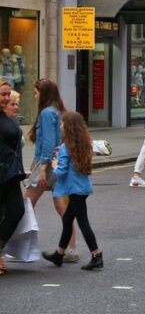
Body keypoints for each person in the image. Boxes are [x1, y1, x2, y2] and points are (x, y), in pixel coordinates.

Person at [26, 78, 79, 261]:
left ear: (44, 94)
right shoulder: (57, 112)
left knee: (26, 205)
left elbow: (48, 142)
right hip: (58, 164)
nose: (34, 96)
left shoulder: (47, 113)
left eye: (36, 92)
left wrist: (41, 168)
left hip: (47, 166)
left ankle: (21, 248)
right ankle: (71, 249)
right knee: (61, 206)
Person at [42, 112, 103, 271]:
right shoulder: (84, 144)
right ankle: (59, 254)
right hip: (82, 188)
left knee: (83, 223)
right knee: (68, 220)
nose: (60, 126)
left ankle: (97, 255)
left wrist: (54, 166)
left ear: (68, 127)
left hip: (74, 190)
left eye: (62, 124)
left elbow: (61, 170)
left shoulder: (65, 147)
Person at [0, 79, 25, 275]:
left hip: (10, 173)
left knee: (17, 210)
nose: (7, 97)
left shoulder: (6, 116)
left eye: (8, 94)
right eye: (3, 94)